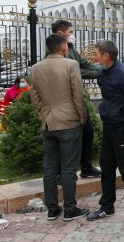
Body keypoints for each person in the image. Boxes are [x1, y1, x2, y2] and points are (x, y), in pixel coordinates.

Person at [29, 33, 89, 221]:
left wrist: (43, 115)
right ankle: (70, 209)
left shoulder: (36, 68)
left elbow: (35, 96)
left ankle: (52, 209)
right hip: (69, 122)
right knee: (69, 169)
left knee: (49, 168)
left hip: (48, 123)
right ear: (64, 47)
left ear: (48, 48)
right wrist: (81, 117)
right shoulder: (71, 64)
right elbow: (78, 94)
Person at [86, 40, 124, 228]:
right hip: (109, 126)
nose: (94, 57)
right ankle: (107, 206)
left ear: (106, 56)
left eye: (96, 54)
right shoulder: (102, 72)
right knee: (107, 167)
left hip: (123, 128)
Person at [51, 20, 101, 179]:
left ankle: (86, 167)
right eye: (70, 32)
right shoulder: (53, 51)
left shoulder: (71, 49)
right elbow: (76, 70)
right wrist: (100, 74)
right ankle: (60, 173)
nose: (73, 35)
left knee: (88, 132)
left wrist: (100, 69)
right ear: (60, 33)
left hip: (77, 98)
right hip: (64, 101)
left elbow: (85, 64)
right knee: (65, 138)